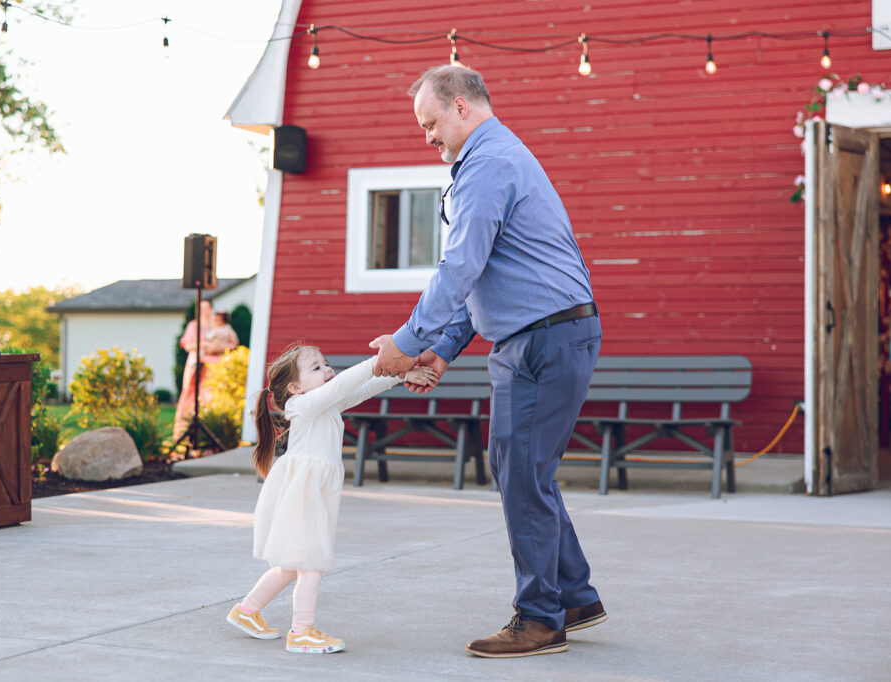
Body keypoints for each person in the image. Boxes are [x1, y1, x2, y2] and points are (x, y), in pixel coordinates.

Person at [369, 64, 606, 658]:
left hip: (543, 340)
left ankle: (539, 618)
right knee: (526, 469)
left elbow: (460, 267)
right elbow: (489, 279)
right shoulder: (490, 160)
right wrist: (443, 348)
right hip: (542, 335)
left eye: (430, 124)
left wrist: (405, 339)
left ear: (462, 109)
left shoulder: (489, 164)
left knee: (520, 470)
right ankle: (573, 596)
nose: (426, 137)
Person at [226, 344, 435, 654]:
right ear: (295, 387)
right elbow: (344, 383)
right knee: (311, 563)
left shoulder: (326, 405)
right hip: (303, 493)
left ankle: (246, 611)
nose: (327, 370)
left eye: (326, 364)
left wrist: (400, 374)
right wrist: (378, 361)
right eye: (316, 368)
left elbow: (362, 389)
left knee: (293, 562)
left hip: (312, 491)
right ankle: (302, 632)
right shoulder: (302, 404)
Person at [173, 301, 237, 441]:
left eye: (207, 308)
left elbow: (232, 344)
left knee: (214, 397)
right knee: (192, 397)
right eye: (202, 308)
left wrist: (217, 347)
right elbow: (187, 345)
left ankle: (216, 434)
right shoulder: (193, 325)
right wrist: (204, 345)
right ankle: (187, 435)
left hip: (216, 367)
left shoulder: (220, 326)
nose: (205, 311)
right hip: (198, 365)